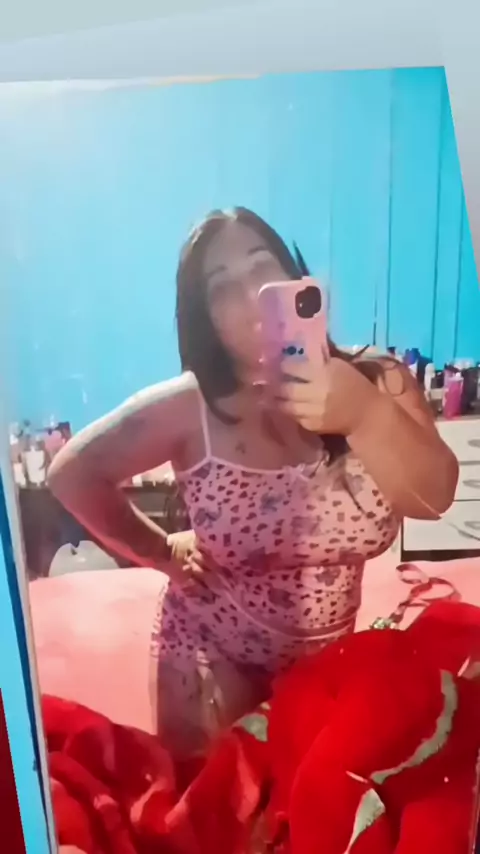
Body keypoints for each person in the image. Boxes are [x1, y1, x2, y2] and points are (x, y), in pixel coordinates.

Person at [47, 207, 458, 760]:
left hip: (328, 667)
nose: (250, 294)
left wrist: (364, 414)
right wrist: (160, 551)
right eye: (222, 287)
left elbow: (434, 499)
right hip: (213, 660)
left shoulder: (377, 380)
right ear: (205, 318)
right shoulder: (190, 407)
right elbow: (71, 474)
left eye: (262, 266)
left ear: (295, 278)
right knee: (224, 807)